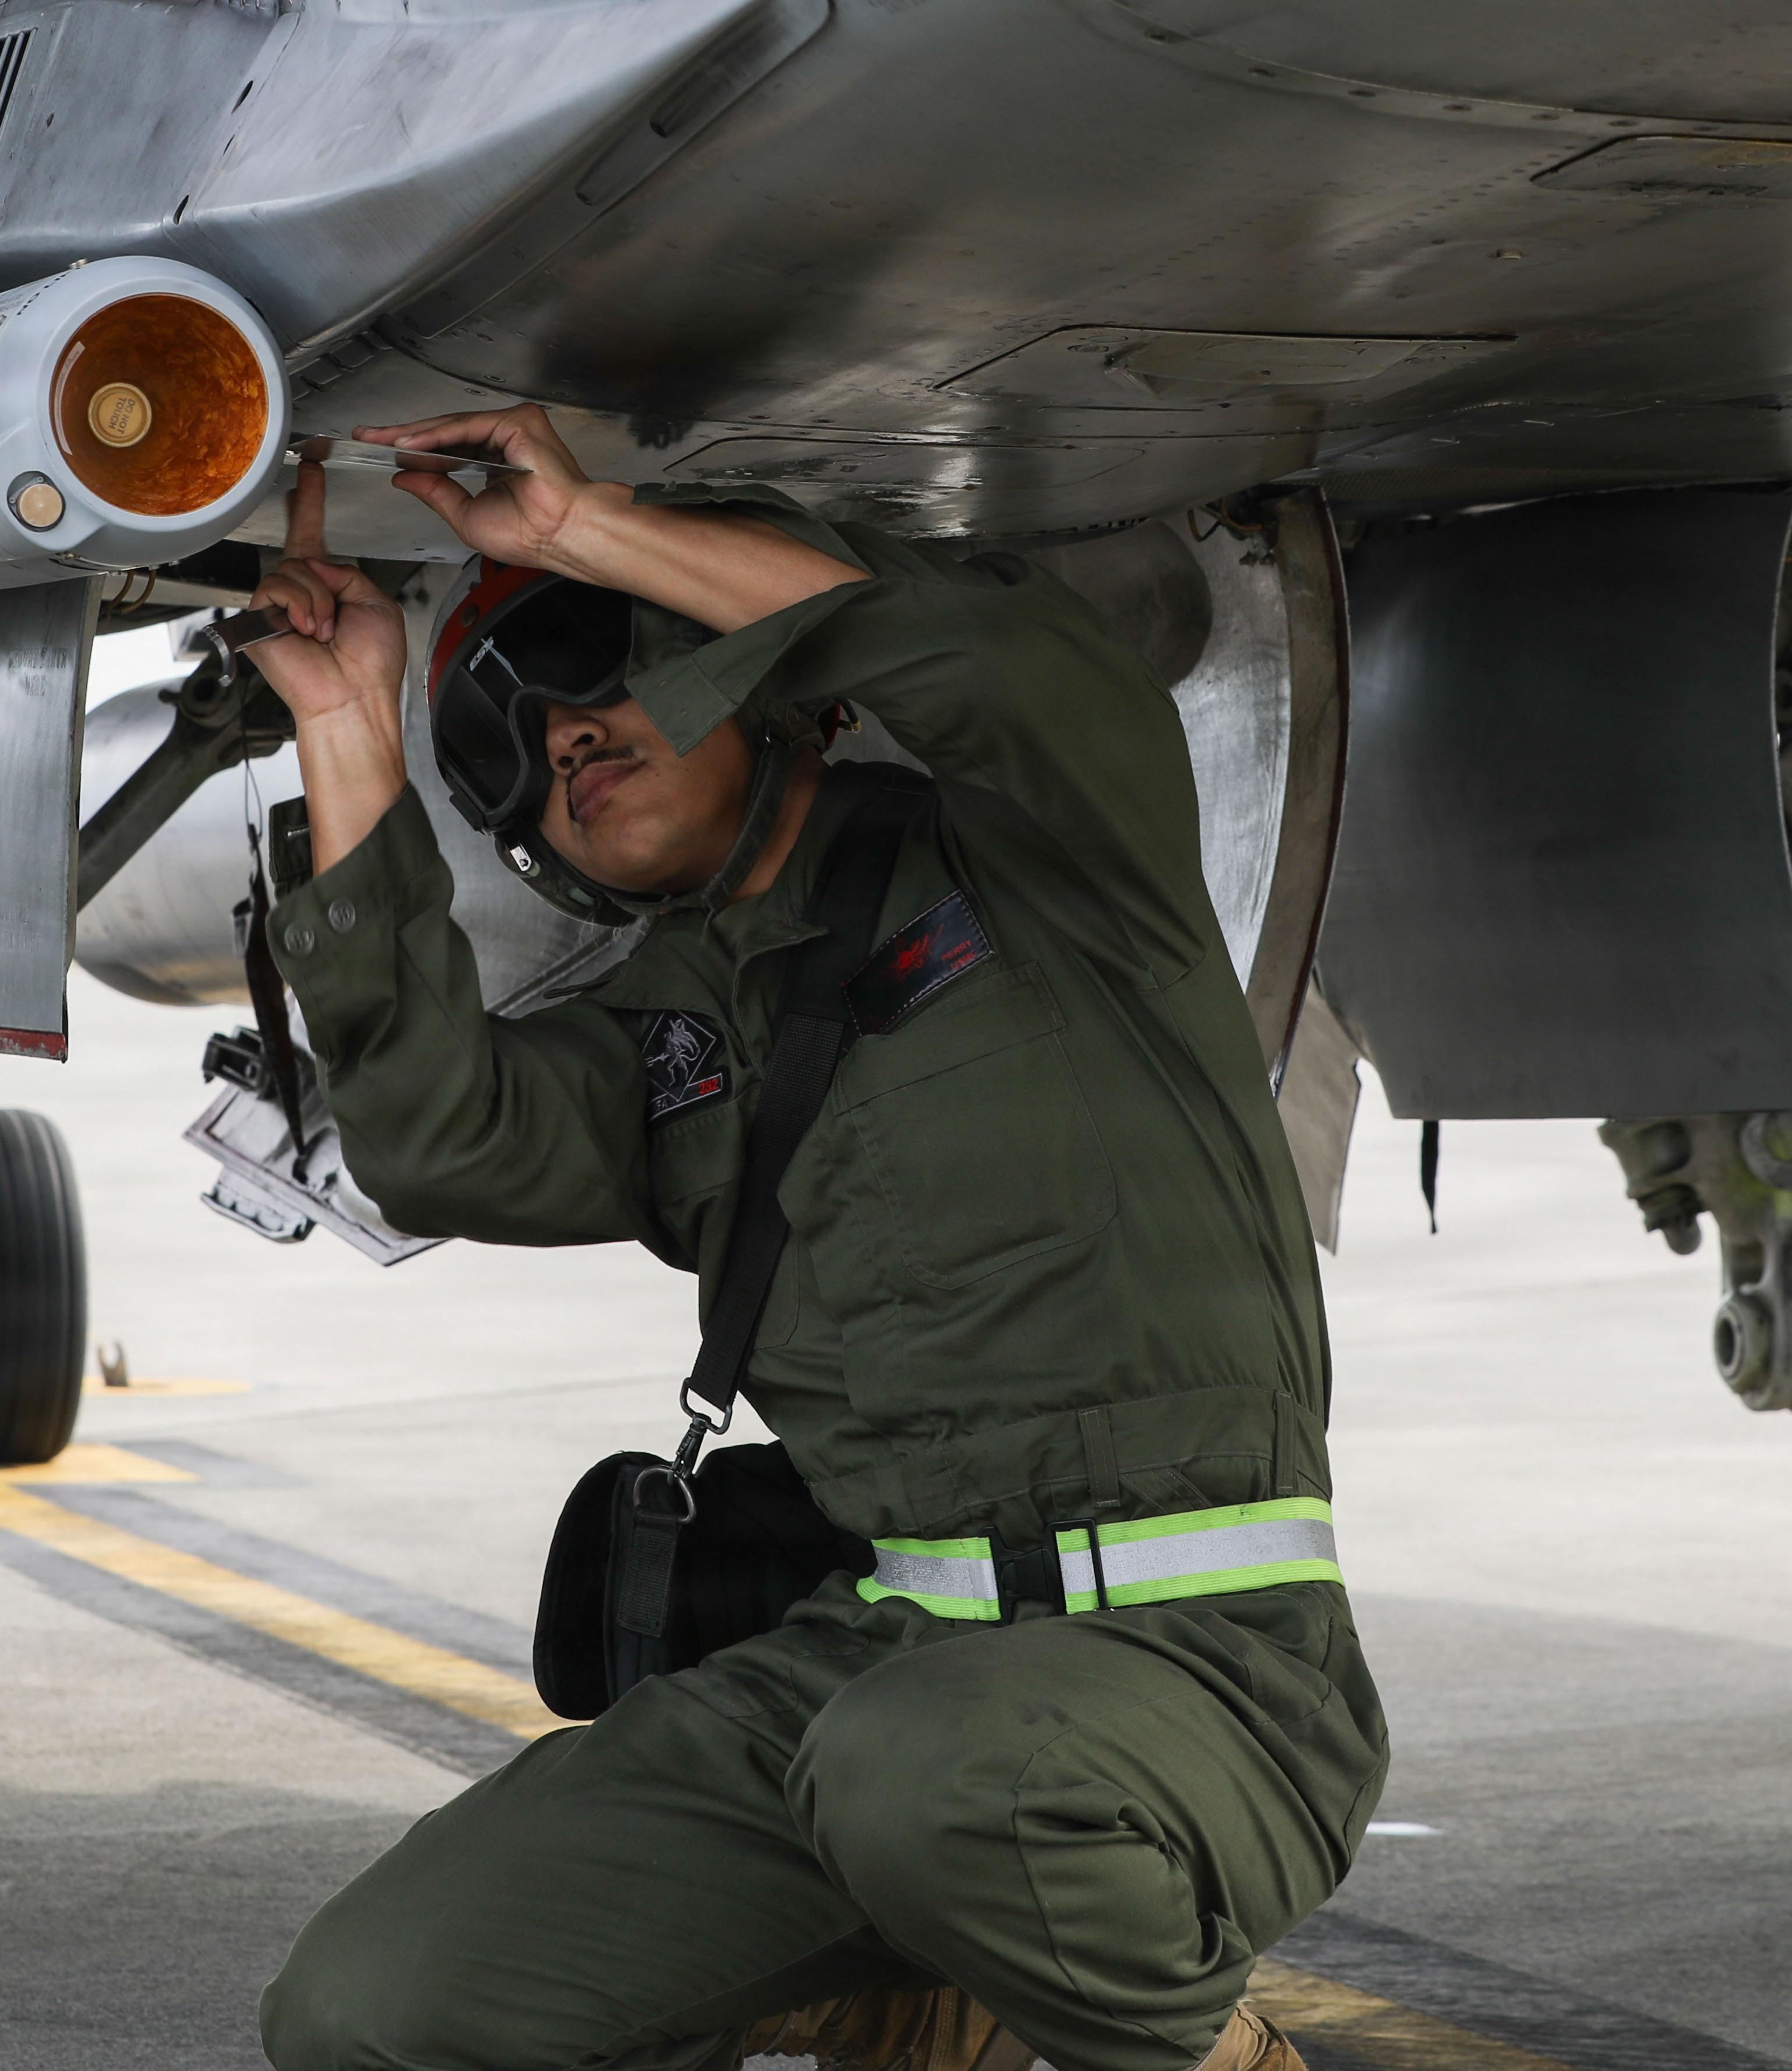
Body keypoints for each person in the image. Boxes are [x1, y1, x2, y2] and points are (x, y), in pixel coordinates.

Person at [239, 405, 1385, 2071]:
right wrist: (348, 726)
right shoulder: (673, 1039)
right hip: (881, 1674)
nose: (562, 733)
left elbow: (991, 661)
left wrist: (581, 531)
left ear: (765, 682)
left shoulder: (1061, 862)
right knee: (374, 2009)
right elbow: (434, 1141)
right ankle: (921, 1973)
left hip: (1210, 1666)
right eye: (507, 736)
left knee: (925, 1777)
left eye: (595, 665)